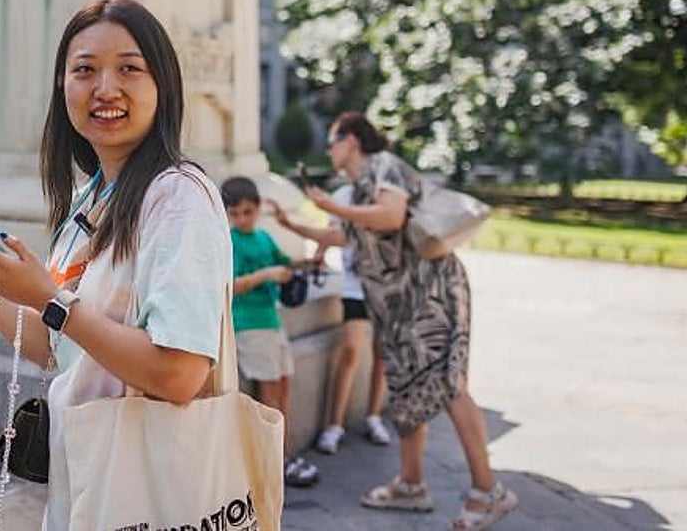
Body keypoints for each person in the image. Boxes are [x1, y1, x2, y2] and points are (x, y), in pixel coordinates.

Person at [0, 0, 231, 530]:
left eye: (129, 69)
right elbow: (59, 349)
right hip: (87, 480)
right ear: (62, 86)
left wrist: (51, 298)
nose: (106, 89)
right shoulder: (92, 196)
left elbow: (180, 373)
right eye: (85, 70)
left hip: (151, 489)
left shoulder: (178, 196)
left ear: (162, 86)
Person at [282, 112, 518, 530]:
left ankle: (488, 491)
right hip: (396, 305)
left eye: (333, 140)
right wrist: (291, 223)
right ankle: (411, 485)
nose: (329, 149)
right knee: (407, 390)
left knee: (448, 383)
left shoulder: (385, 166)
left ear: (351, 140)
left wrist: (330, 205)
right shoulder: (356, 190)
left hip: (430, 292)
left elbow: (391, 216)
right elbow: (344, 236)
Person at [271, 184, 390, 454]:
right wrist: (319, 255)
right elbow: (333, 232)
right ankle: (334, 425)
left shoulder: (386, 193)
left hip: (385, 286)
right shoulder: (342, 194)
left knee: (383, 353)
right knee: (351, 349)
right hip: (354, 287)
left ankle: (373, 416)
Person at [220, 176, 321, 488]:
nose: (241, 219)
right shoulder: (229, 241)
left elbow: (286, 264)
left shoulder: (264, 237)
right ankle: (273, 463)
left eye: (247, 212)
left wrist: (310, 261)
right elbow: (229, 287)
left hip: (273, 322)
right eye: (234, 213)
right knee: (268, 398)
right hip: (248, 325)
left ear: (258, 209)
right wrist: (267, 274)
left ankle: (284, 455)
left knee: (283, 389)